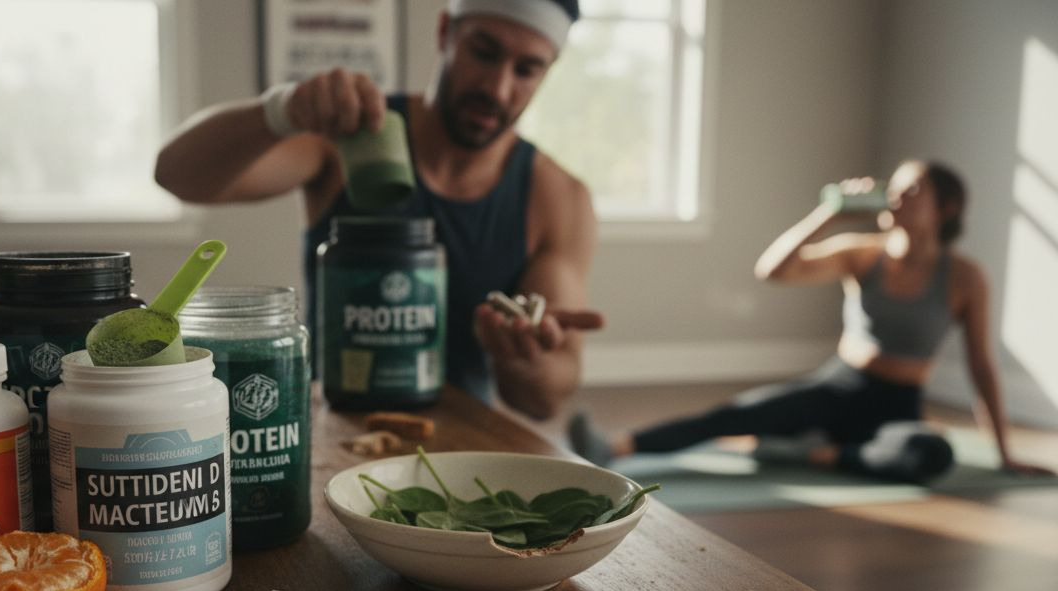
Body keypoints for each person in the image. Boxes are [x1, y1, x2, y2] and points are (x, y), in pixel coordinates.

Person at [153, 0, 603, 420]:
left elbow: (543, 400)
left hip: (459, 435)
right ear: (446, 31)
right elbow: (177, 176)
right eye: (484, 53)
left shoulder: (558, 198)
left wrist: (519, 354)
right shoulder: (354, 132)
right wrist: (282, 110)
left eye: (526, 70)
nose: (497, 87)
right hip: (332, 421)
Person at [569, 159, 1053, 482]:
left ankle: (813, 453)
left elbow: (981, 364)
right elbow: (773, 270)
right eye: (894, 188)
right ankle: (616, 445)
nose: (894, 198)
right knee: (737, 414)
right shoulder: (862, 253)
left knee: (931, 452)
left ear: (945, 209)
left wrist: (1004, 452)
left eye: (911, 192)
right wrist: (829, 213)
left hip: (898, 404)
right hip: (838, 386)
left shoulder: (965, 278)